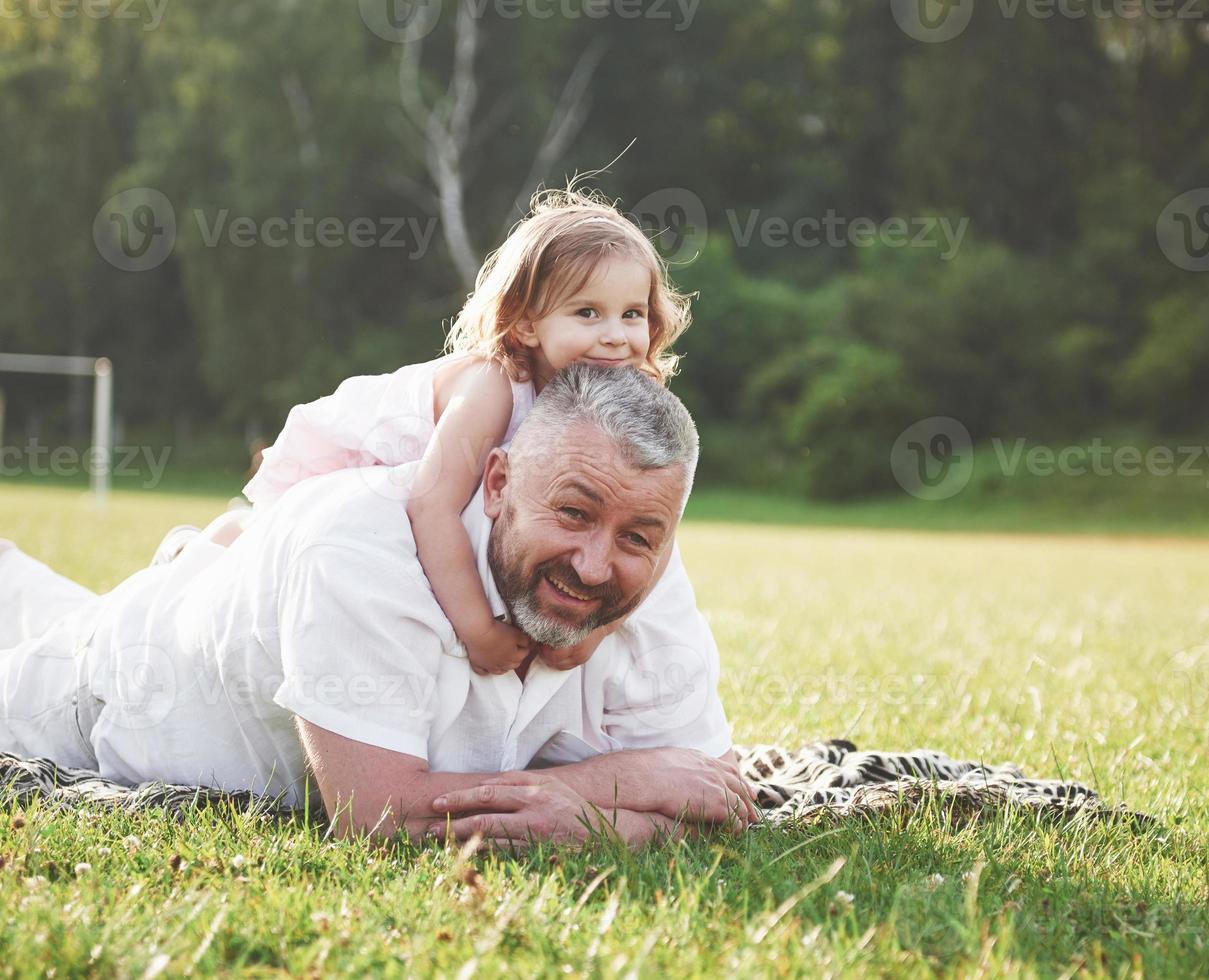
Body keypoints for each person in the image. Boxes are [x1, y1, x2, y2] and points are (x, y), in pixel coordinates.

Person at [0, 365, 757, 846]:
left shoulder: (650, 580)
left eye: (637, 537)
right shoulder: (359, 553)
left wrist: (600, 814)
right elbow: (380, 818)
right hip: (95, 693)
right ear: (496, 484)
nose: (596, 565)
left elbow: (713, 796)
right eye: (572, 513)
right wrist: (605, 794)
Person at [232, 187, 692, 677]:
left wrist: (594, 635)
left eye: (632, 314)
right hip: (374, 466)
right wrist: (479, 631)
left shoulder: (626, 400)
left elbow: (659, 539)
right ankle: (217, 538)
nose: (615, 336)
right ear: (526, 324)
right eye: (587, 312)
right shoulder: (494, 388)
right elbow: (432, 505)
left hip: (447, 486)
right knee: (252, 543)